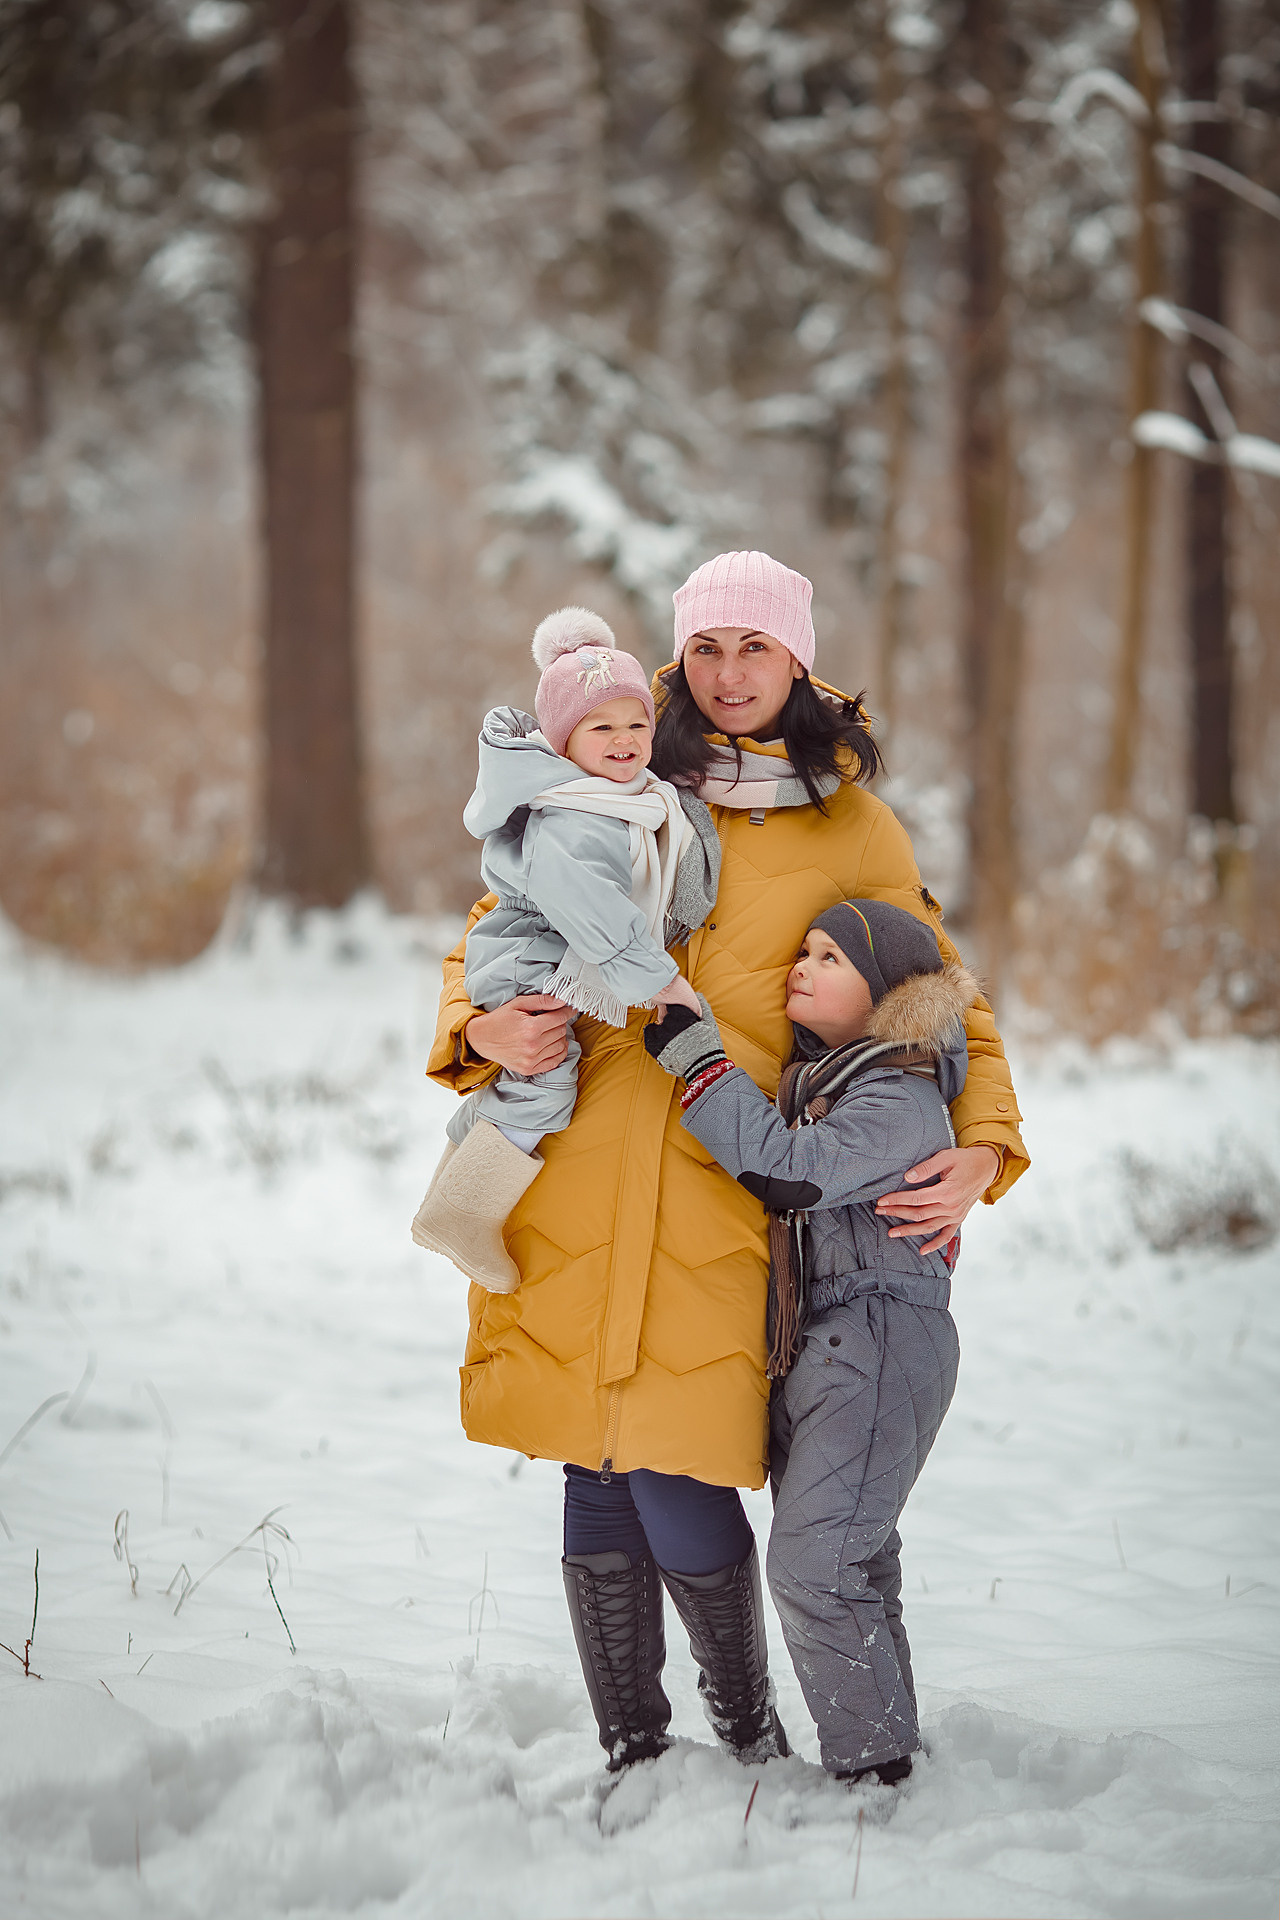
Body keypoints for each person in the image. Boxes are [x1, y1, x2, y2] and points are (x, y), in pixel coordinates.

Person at [425, 549, 1029, 1775]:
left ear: (797, 657)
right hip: (584, 1159)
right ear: (676, 659)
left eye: (754, 646)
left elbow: (937, 995)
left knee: (680, 1449)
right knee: (588, 1451)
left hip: (729, 1181)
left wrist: (983, 1143)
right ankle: (632, 1755)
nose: (729, 671)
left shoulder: (849, 821)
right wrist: (474, 1031)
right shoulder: (613, 768)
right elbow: (492, 932)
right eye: (705, 647)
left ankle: (743, 1737)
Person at [644, 897, 973, 1787]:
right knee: (857, 1557)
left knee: (814, 1563)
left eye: (832, 957)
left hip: (877, 1338)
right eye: (805, 948)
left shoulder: (899, 1097)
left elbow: (791, 1173)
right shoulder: (843, 1080)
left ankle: (874, 1770)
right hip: (835, 1344)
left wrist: (700, 1065)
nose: (803, 964)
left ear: (888, 998)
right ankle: (895, 1754)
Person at [411, 606, 705, 1292]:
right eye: (601, 727)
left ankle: (455, 1191)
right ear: (564, 741)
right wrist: (658, 981)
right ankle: (463, 1212)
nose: (624, 740)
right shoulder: (576, 813)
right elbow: (592, 908)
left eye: (637, 723)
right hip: (527, 958)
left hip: (534, 951)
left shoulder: (621, 797)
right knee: (543, 1080)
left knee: (532, 1081)